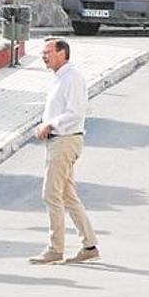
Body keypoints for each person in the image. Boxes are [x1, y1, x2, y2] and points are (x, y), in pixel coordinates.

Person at [30, 38, 100, 265]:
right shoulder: (61, 78)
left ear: (62, 53)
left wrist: (50, 124)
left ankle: (55, 248)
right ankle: (89, 245)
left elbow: (76, 112)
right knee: (67, 196)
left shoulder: (72, 77)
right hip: (59, 140)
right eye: (43, 52)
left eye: (48, 52)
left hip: (64, 140)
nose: (44, 56)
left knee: (51, 193)